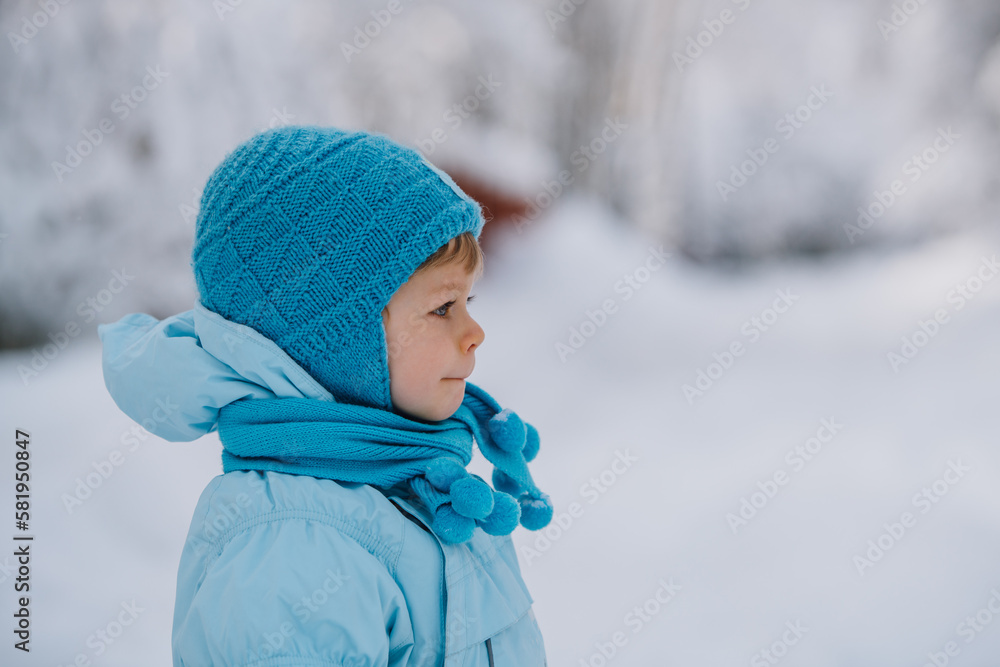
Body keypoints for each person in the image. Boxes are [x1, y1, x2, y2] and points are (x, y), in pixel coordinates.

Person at [97, 125, 553, 666]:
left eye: (469, 299)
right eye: (442, 307)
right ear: (334, 341)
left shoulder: (413, 488)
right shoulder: (293, 545)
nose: (474, 330)